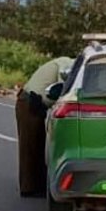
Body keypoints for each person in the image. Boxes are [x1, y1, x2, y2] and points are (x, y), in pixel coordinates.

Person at [15, 56, 73, 197]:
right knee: (30, 146)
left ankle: (38, 185)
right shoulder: (66, 64)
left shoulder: (63, 62)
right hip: (29, 102)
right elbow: (63, 89)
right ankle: (28, 188)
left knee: (38, 145)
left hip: (33, 103)